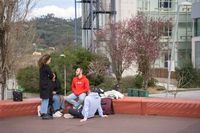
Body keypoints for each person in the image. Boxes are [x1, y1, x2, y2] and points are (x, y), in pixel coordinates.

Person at [38, 54, 55, 120]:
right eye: (50, 60)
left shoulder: (41, 67)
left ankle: (42, 112)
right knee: (46, 99)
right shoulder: (46, 67)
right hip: (46, 85)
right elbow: (51, 75)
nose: (50, 61)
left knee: (44, 99)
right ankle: (44, 114)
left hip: (42, 85)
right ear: (47, 60)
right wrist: (52, 75)